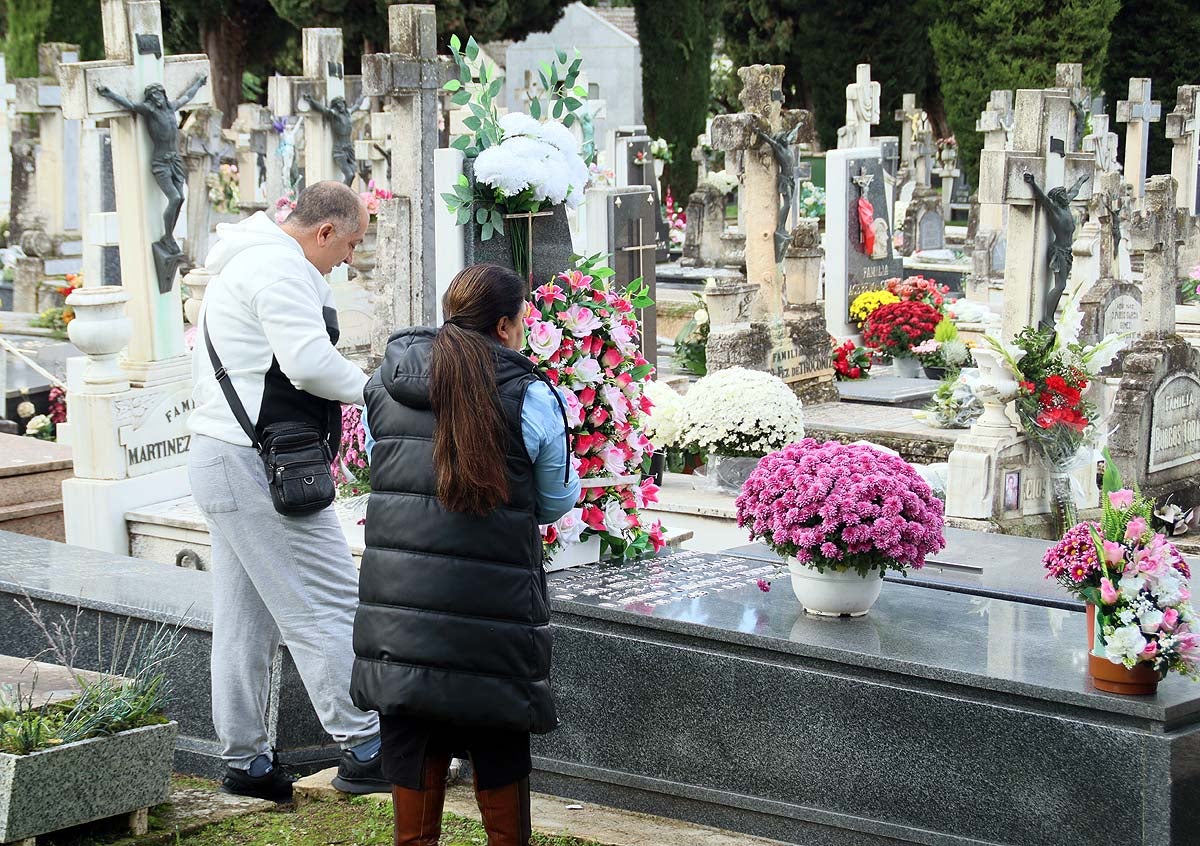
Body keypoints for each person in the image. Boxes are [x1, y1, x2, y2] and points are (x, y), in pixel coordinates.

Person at [351, 263, 581, 846]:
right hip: (493, 617)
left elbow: (380, 469)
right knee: (499, 749)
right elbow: (554, 501)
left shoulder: (384, 384)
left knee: (412, 748)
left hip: (399, 616)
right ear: (505, 326)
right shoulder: (530, 396)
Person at [187, 181, 387, 801]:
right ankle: (365, 745)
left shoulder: (250, 259)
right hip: (258, 467)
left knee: (243, 619)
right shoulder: (280, 269)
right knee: (326, 597)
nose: (349, 258)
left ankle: (245, 762)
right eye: (350, 244)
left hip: (224, 457)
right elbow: (307, 363)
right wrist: (382, 391)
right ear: (324, 231)